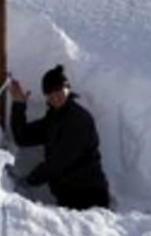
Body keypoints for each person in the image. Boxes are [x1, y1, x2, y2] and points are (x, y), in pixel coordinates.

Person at [8, 65, 111, 211]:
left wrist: (28, 181)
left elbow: (59, 162)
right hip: (70, 197)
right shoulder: (54, 118)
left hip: (89, 198)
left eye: (59, 91)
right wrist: (19, 105)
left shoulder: (77, 119)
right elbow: (23, 137)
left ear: (67, 90)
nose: (55, 96)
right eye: (50, 93)